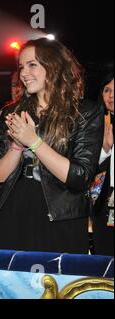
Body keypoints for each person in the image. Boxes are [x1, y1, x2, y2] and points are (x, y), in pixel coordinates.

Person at [0, 38, 104, 254]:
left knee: (59, 285)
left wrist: (33, 141)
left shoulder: (85, 113)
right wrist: (16, 144)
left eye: (32, 64)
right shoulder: (12, 112)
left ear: (54, 66)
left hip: (61, 215)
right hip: (15, 210)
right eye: (21, 67)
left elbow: (79, 177)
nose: (24, 73)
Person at [92, 71, 114, 256]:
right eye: (107, 90)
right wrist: (105, 149)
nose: (111, 95)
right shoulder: (95, 123)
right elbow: (86, 165)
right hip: (104, 200)